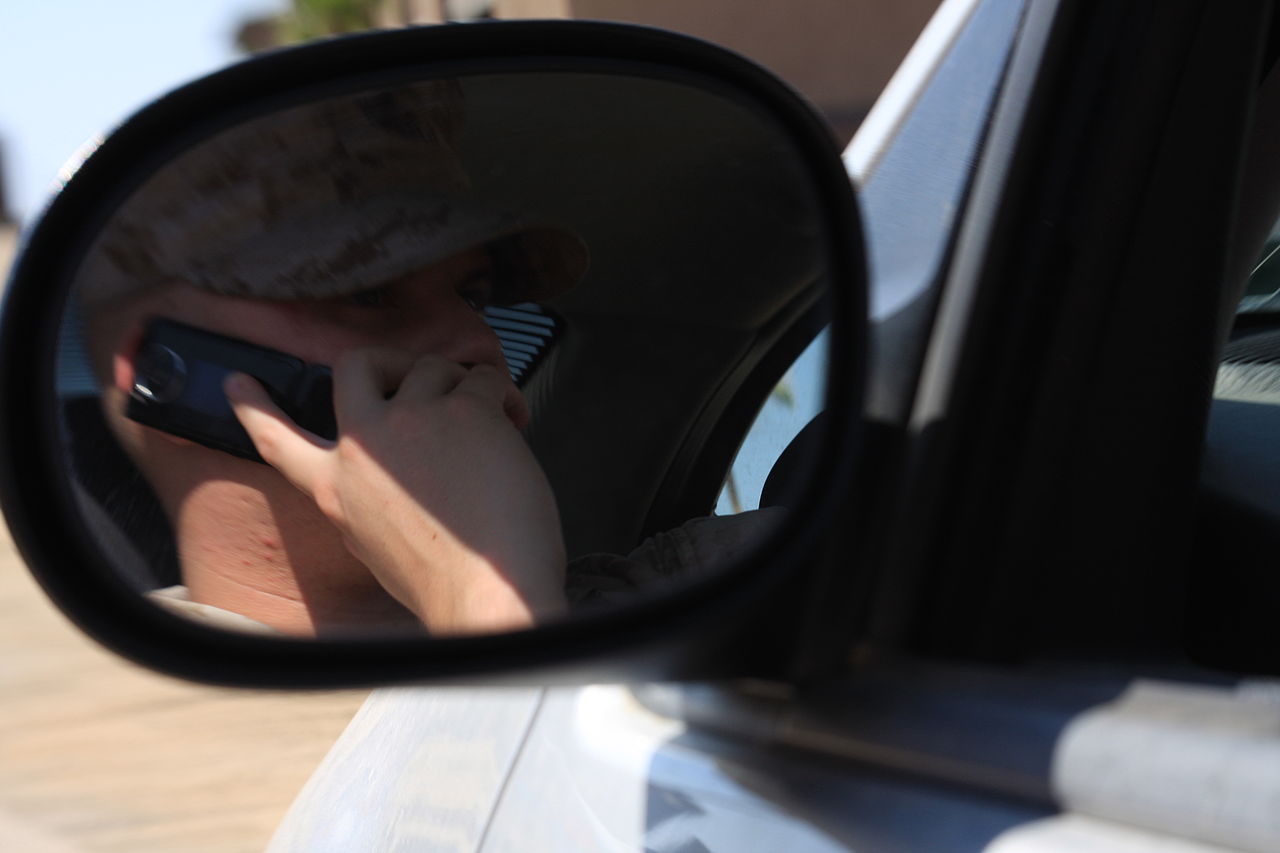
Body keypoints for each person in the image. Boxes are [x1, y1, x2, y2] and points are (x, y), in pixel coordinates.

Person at [75, 81, 588, 637]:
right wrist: (484, 593)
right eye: (366, 293)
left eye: (474, 295)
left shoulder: (652, 588)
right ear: (157, 369)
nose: (479, 342)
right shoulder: (126, 705)